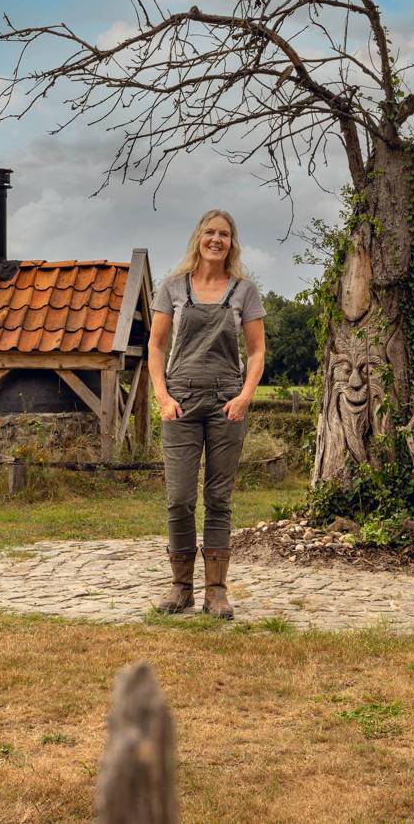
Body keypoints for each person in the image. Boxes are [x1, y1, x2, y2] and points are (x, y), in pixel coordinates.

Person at [148, 210, 266, 619]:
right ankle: (180, 587)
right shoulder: (173, 287)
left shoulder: (244, 291)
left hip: (226, 404)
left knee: (218, 498)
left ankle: (216, 591)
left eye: (224, 234)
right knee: (179, 499)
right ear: (198, 237)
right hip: (180, 401)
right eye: (210, 232)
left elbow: (256, 351)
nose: (216, 239)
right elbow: (157, 347)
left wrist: (245, 396)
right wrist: (162, 396)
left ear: (232, 243)